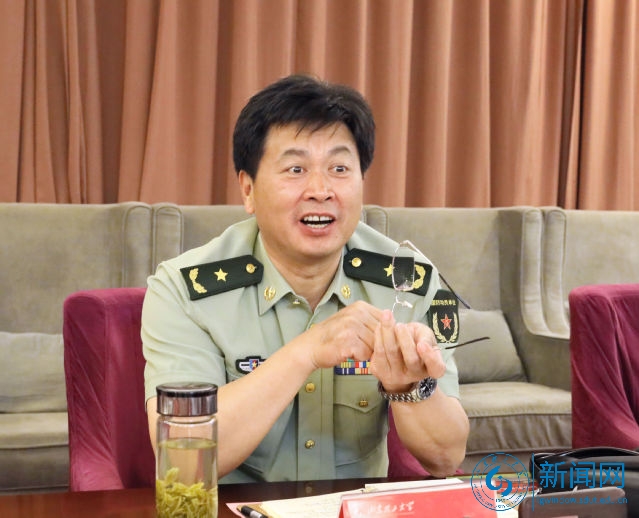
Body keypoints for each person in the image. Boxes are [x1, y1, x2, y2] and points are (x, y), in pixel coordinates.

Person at [142, 74, 469, 483]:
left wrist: (410, 388)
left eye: (339, 168)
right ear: (248, 189)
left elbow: (446, 458)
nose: (320, 190)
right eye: (295, 169)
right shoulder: (184, 290)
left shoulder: (408, 282)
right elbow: (183, 465)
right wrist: (307, 352)